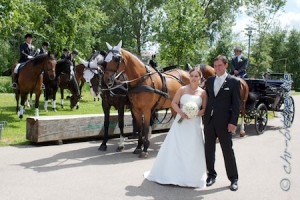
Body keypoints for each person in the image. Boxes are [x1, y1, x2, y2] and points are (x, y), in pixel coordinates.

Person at [144, 67, 207, 188]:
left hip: (194, 124)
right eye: (192, 76)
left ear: (200, 78)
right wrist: (181, 112)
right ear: (189, 77)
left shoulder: (203, 93)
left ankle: (192, 176)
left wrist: (195, 113)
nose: (194, 78)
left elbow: (204, 109)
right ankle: (172, 174)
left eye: (196, 76)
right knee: (177, 146)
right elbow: (174, 103)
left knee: (193, 147)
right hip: (181, 122)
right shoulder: (182, 89)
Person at [203, 55, 241, 191]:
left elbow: (236, 105)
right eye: (215, 65)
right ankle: (211, 175)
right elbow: (204, 98)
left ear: (225, 65)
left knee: (227, 151)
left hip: (225, 123)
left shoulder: (234, 82)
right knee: (208, 150)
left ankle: (233, 179)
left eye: (220, 65)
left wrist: (233, 123)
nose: (217, 68)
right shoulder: (209, 80)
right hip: (209, 121)